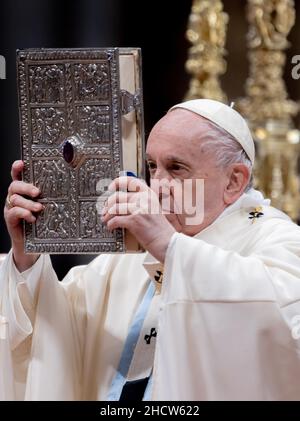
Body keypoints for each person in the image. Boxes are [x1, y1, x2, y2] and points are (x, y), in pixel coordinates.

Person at [1, 99, 300, 401]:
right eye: (152, 167)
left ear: (234, 181)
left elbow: (280, 327)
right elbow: (60, 330)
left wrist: (170, 247)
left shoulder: (275, 238)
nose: (156, 186)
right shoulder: (131, 252)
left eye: (176, 168)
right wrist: (27, 256)